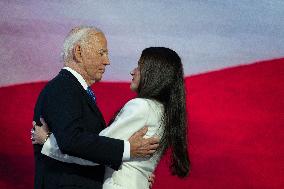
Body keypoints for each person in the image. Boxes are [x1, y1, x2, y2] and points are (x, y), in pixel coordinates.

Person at [32, 47, 190, 189]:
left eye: (140, 66)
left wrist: (48, 142)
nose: (133, 71)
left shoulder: (142, 107)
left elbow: (94, 154)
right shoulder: (162, 111)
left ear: (154, 74)